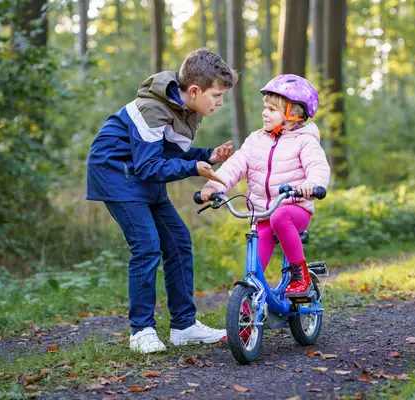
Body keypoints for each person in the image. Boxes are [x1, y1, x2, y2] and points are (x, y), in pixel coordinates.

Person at [86, 48, 236, 354]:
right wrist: (194, 167)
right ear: (194, 90)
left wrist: (207, 155)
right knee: (146, 246)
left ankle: (184, 326)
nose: (219, 103)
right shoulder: (150, 110)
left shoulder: (190, 109)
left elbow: (169, 152)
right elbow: (149, 166)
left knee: (178, 242)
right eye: (217, 95)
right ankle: (141, 330)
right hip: (117, 174)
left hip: (142, 175)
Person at [200, 74, 330, 298]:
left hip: (293, 209)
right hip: (262, 213)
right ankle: (250, 309)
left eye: (271, 109)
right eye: (265, 108)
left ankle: (301, 276)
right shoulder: (255, 140)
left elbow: (318, 167)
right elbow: (235, 165)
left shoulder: (305, 141)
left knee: (280, 217)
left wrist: (312, 184)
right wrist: (214, 186)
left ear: (294, 114)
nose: (264, 113)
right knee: (254, 267)